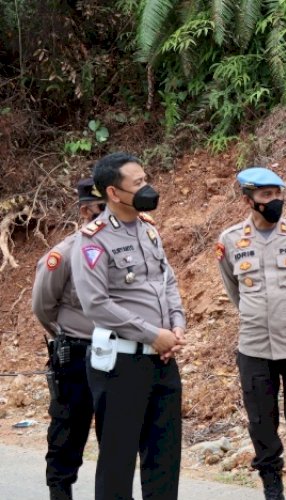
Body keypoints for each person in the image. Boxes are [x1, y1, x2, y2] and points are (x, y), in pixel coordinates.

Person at [70, 152, 187, 500]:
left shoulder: (149, 230)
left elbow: (167, 281)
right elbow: (97, 305)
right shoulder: (93, 239)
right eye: (138, 184)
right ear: (113, 193)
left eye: (145, 179)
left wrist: (176, 325)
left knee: (164, 461)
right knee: (117, 463)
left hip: (163, 362)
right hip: (121, 365)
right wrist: (154, 335)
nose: (147, 187)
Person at [216, 166, 286, 500]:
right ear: (248, 200)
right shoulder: (231, 240)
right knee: (261, 423)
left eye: (278, 194)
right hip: (254, 347)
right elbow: (232, 288)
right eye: (266, 195)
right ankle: (272, 487)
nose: (275, 200)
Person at [32, 179, 106, 500]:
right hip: (76, 358)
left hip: (117, 357)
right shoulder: (64, 254)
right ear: (86, 209)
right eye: (103, 207)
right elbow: (43, 307)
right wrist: (72, 337)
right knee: (66, 439)